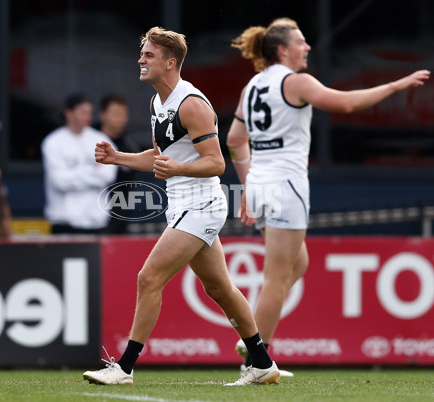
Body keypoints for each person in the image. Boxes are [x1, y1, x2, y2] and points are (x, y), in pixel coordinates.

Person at [226, 18, 430, 373]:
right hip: (286, 185)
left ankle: (254, 339)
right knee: (276, 278)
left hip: (260, 184)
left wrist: (247, 186)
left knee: (297, 264)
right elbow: (346, 103)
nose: (307, 48)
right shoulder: (297, 81)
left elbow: (234, 140)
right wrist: (396, 85)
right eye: (301, 42)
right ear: (282, 50)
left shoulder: (253, 85)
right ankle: (256, 360)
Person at [83, 26, 280, 386]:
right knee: (219, 289)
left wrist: (179, 168)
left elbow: (217, 163)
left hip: (201, 204)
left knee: (148, 277)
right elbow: (161, 158)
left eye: (148, 55)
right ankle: (263, 364)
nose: (140, 60)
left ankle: (124, 368)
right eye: (142, 53)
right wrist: (117, 158)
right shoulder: (158, 102)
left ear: (170, 62)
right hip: (182, 205)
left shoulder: (191, 104)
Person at [42, 93, 118, 235]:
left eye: (89, 113)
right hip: (64, 224)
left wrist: (73, 174)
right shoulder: (53, 142)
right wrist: (93, 171)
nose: (87, 117)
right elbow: (59, 181)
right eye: (83, 112)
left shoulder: (101, 140)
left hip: (97, 222)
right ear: (68, 113)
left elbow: (108, 175)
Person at [94, 94, 136, 234]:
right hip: (88, 218)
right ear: (102, 115)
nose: (121, 119)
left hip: (118, 221)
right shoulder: (88, 141)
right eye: (116, 114)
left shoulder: (130, 148)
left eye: (124, 114)